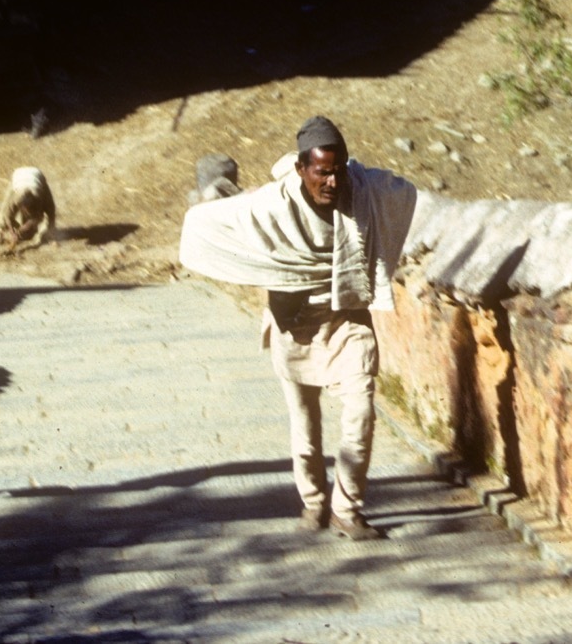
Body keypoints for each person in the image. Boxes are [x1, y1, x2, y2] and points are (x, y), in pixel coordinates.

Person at [178, 117, 421, 541]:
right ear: (301, 169)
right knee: (305, 423)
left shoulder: (361, 190)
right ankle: (313, 500)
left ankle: (347, 509)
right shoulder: (272, 205)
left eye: (338, 171)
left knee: (361, 411)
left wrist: (364, 182)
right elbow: (205, 222)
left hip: (346, 318)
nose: (332, 182)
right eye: (321, 172)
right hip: (294, 324)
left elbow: (404, 192)